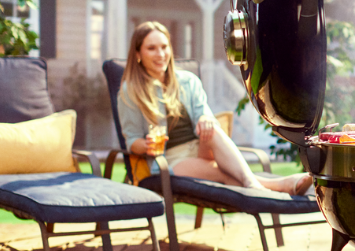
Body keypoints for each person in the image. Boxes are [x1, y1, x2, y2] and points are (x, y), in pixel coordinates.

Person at [118, 21, 312, 196]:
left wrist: (205, 118)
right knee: (224, 174)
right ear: (138, 54)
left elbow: (204, 115)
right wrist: (146, 145)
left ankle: (257, 184)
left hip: (202, 148)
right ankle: (278, 185)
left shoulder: (188, 81)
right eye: (151, 48)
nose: (160, 55)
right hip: (170, 158)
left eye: (164, 47)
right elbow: (132, 140)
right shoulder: (131, 91)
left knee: (213, 130)